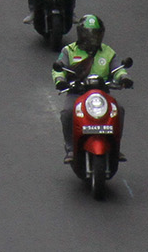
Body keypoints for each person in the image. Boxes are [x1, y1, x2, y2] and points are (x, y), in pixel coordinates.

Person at [51, 14, 131, 164]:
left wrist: (124, 78)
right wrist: (60, 80)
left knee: (119, 110)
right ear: (81, 35)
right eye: (88, 35)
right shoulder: (69, 51)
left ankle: (115, 146)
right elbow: (58, 68)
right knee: (67, 113)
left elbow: (118, 69)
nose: (92, 38)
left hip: (102, 93)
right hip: (77, 92)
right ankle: (70, 149)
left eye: (95, 34)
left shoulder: (107, 52)